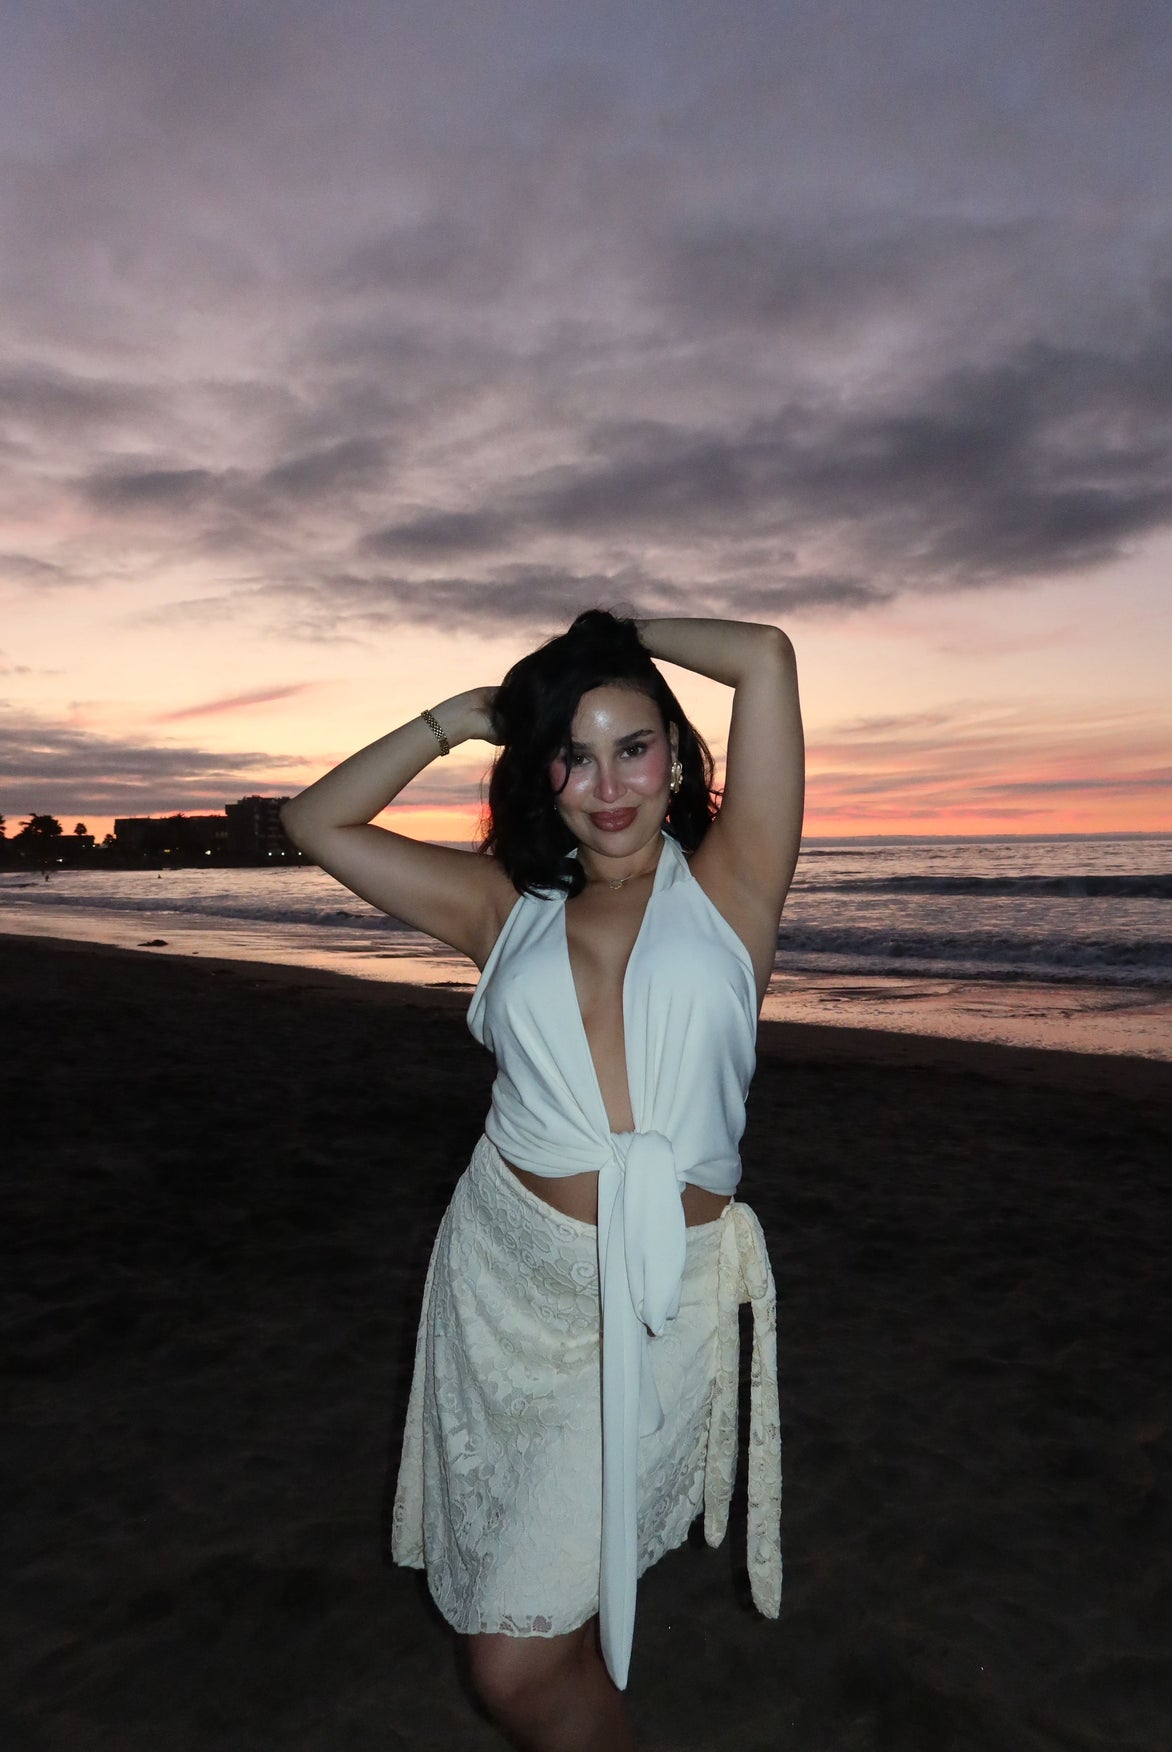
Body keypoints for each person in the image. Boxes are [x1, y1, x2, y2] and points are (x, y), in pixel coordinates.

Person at [281, 612, 804, 1752]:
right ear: (539, 772)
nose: (607, 786)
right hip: (508, 1283)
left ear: (678, 756)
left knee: (510, 1662)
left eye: (634, 748)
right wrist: (459, 718)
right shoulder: (500, 908)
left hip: (661, 1303)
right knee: (537, 1632)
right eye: (573, 755)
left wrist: (606, 635)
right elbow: (313, 821)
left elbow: (765, 655)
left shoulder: (735, 883)